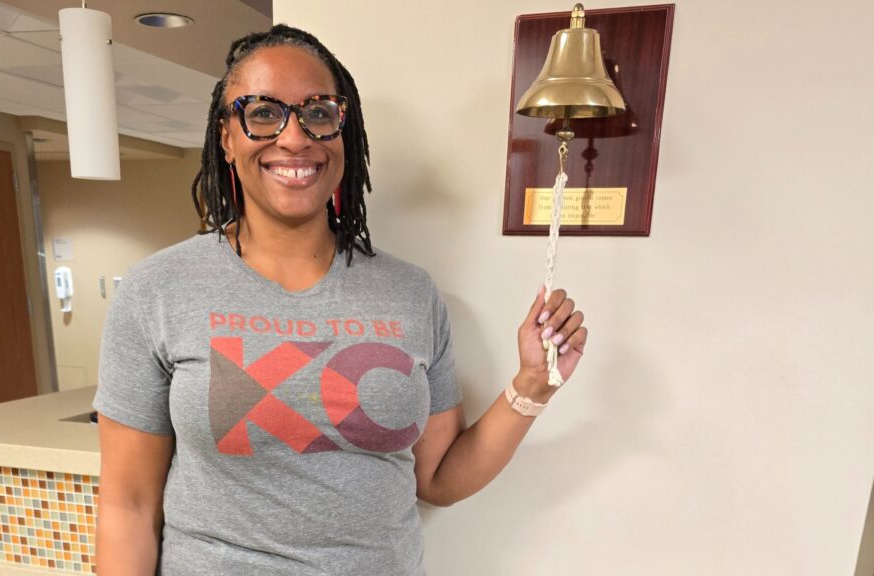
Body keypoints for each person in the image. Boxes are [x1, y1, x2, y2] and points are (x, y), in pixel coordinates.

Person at [93, 24, 587, 576]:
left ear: (342, 134)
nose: (295, 137)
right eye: (262, 112)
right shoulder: (156, 290)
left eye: (319, 112)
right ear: (226, 137)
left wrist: (531, 387)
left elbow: (440, 479)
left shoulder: (411, 294)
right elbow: (127, 506)